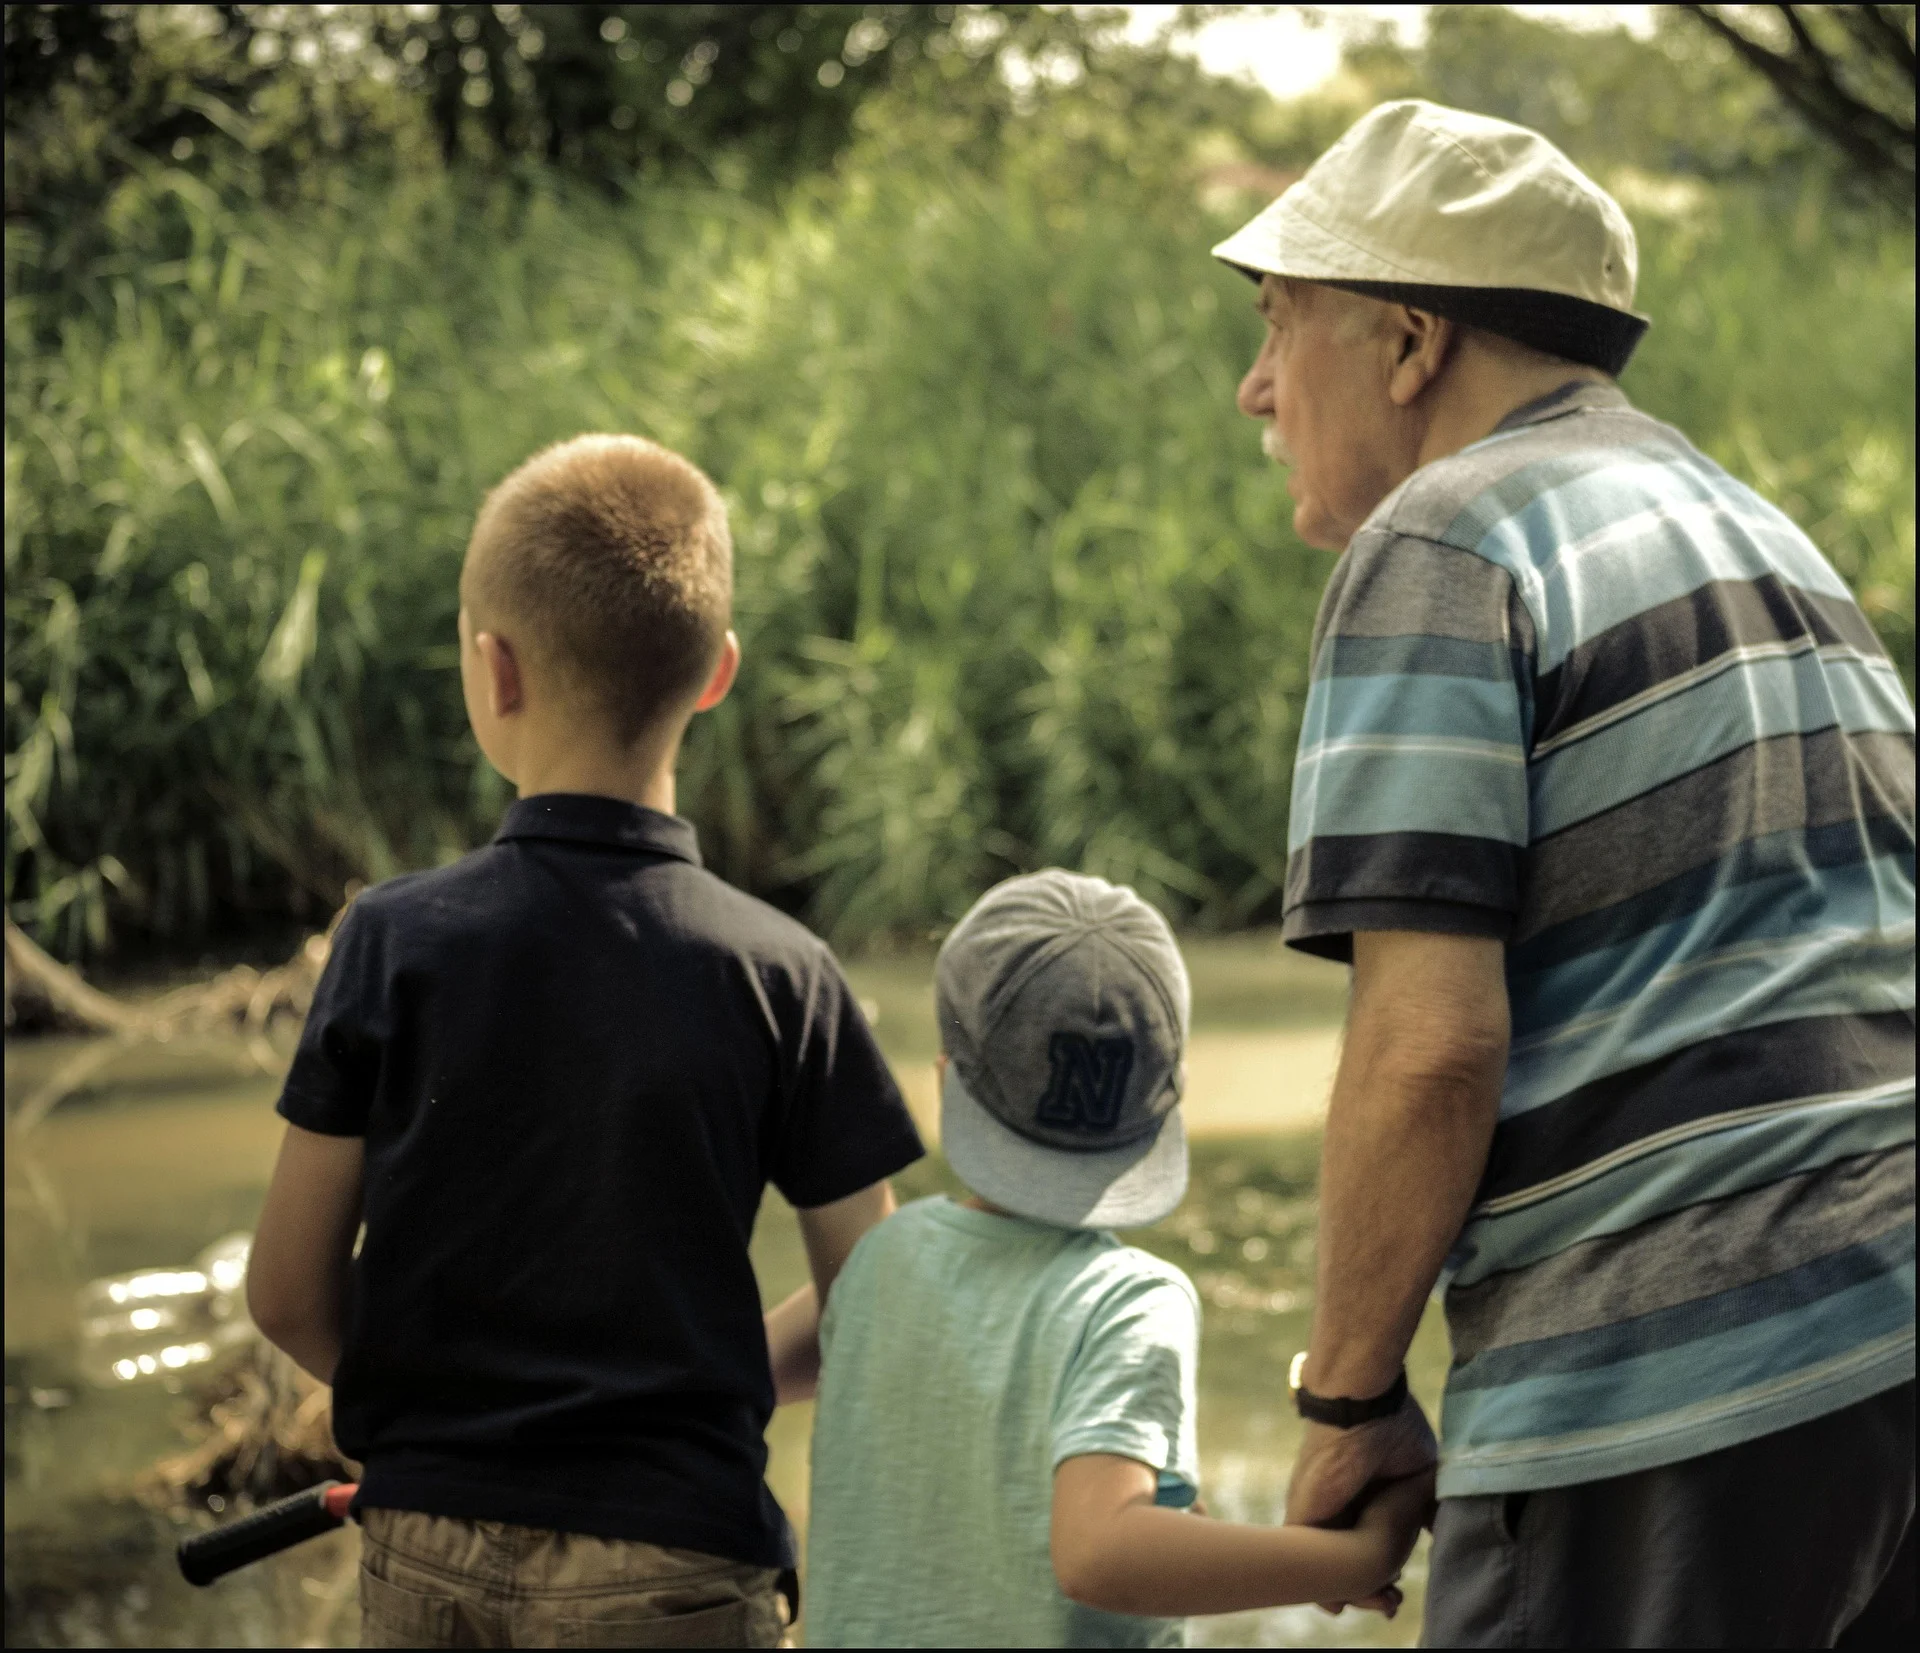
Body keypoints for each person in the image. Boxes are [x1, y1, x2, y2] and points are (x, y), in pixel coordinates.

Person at [1213, 98, 1916, 1647]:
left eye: (1279, 324)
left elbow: (1428, 1048)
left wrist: (1345, 1392)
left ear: (1406, 341)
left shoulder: (1442, 538)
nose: (1254, 387)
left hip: (1680, 1370)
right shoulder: (1764, 537)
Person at [244, 433, 925, 1648]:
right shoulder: (787, 976)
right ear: (716, 676)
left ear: (491, 669)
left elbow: (287, 1291)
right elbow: (868, 1313)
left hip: (425, 1551)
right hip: (673, 1560)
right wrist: (683, 1381)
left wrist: (443, 1409)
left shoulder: (393, 943)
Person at [798, 869, 1432, 1647]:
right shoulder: (1126, 1301)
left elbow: (738, 1369)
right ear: (1167, 1102)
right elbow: (1101, 1552)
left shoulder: (873, 1259)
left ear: (948, 1077)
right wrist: (1347, 1556)